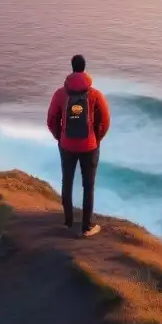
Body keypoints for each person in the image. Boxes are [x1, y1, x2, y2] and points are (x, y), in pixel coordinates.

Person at [46, 54, 111, 237]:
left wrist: (60, 137)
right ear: (84, 68)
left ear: (72, 67)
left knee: (67, 182)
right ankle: (86, 227)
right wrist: (97, 138)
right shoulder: (95, 94)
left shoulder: (60, 94)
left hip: (67, 145)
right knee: (88, 186)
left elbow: (51, 119)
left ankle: (67, 222)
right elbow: (105, 120)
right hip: (90, 146)